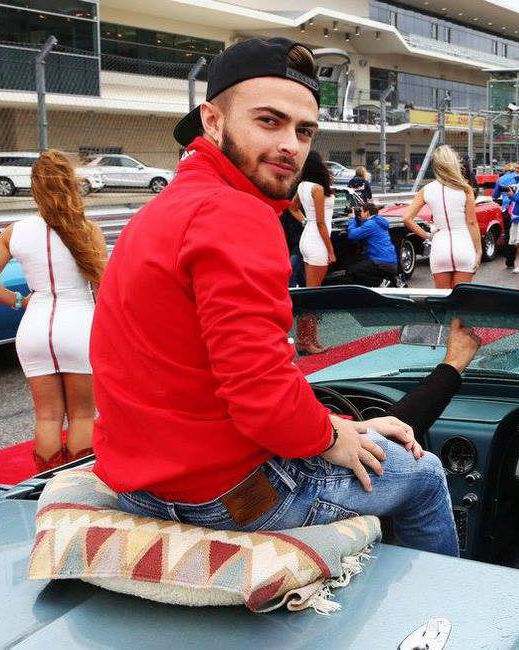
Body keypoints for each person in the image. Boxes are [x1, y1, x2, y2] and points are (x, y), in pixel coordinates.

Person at [92, 37, 459, 556]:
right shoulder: (236, 215)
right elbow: (262, 400)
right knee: (423, 474)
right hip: (225, 495)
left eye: (304, 130)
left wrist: (335, 425)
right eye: (269, 121)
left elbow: (214, 377)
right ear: (213, 122)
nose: (291, 144)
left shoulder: (162, 210)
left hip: (140, 486)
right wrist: (334, 440)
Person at [0, 150, 106, 472]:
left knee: (46, 416)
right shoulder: (87, 230)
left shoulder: (14, 232)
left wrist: (17, 301)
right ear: (71, 184)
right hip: (79, 326)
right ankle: (74, 495)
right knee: (84, 415)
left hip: (33, 328)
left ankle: (42, 491)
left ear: (35, 187)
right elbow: (103, 291)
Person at [404, 145, 482, 288]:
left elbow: (407, 218)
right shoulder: (465, 189)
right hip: (463, 245)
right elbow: (471, 223)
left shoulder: (426, 190)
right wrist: (478, 250)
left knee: (442, 300)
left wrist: (427, 235)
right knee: (460, 299)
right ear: (454, 163)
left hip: (440, 246)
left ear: (435, 165)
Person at [288, 152, 336, 354]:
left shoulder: (303, 185)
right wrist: (331, 250)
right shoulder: (316, 188)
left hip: (308, 238)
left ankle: (306, 339)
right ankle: (307, 340)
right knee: (314, 295)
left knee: (310, 293)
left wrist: (304, 221)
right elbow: (321, 223)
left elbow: (292, 207)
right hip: (317, 241)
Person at [345, 202, 401, 286]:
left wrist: (352, 219)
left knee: (352, 271)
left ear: (367, 213)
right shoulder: (379, 221)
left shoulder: (370, 224)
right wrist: (360, 219)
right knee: (363, 263)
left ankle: (382, 283)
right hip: (391, 261)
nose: (360, 213)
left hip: (381, 262)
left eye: (361, 211)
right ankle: (393, 280)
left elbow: (352, 235)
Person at [492, 163, 519, 268]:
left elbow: (495, 195)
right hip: (518, 207)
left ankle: (510, 260)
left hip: (506, 209)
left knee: (508, 234)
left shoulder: (501, 179)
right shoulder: (518, 178)